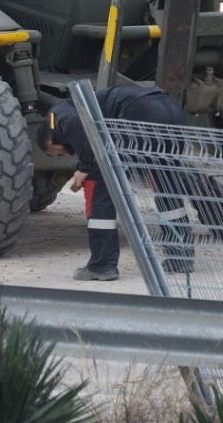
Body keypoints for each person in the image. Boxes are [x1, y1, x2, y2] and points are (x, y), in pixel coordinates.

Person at [41, 84, 196, 282]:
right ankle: (180, 257)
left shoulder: (57, 117)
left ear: (49, 142)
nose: (64, 153)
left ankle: (102, 265)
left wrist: (85, 167)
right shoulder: (75, 106)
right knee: (165, 183)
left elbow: (76, 125)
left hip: (141, 112)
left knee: (100, 185)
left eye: (58, 152)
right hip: (171, 110)